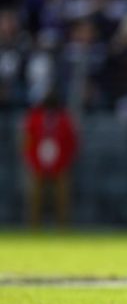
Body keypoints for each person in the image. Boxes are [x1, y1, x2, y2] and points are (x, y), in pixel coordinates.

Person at [21, 88, 78, 229]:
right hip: (37, 165)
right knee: (34, 197)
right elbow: (26, 141)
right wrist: (32, 162)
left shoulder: (64, 119)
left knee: (62, 198)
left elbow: (72, 143)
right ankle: (34, 227)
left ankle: (62, 227)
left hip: (60, 166)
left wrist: (64, 163)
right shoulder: (34, 117)